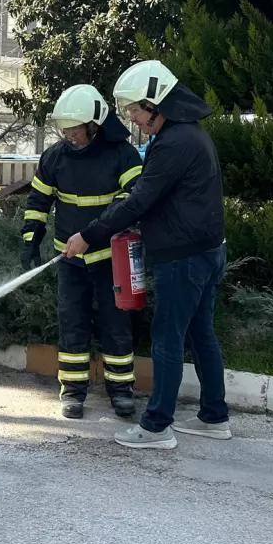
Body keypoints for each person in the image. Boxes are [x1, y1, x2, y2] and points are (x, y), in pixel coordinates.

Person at [64, 60, 229, 450]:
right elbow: (170, 199)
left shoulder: (173, 143)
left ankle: (156, 427)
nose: (132, 118)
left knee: (167, 339)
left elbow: (140, 199)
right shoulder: (189, 135)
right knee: (201, 333)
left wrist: (89, 234)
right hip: (207, 251)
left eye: (135, 109)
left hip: (183, 259)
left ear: (157, 103)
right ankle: (214, 416)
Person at [21, 84, 144, 420]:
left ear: (94, 124)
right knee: (72, 323)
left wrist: (94, 234)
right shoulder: (54, 157)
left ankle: (120, 392)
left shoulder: (122, 154)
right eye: (64, 129)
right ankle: (73, 392)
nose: (69, 135)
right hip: (70, 259)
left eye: (75, 128)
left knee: (115, 324)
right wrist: (31, 238)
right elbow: (38, 202)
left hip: (110, 259)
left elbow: (133, 199)